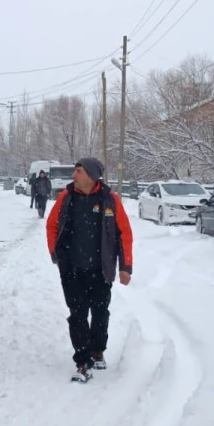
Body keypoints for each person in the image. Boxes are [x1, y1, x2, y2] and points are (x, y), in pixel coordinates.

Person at [45, 157, 133, 383]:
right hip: (72, 268)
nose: (74, 176)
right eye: (75, 171)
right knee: (77, 314)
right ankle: (82, 361)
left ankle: (97, 350)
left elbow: (124, 233)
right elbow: (52, 224)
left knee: (101, 312)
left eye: (79, 171)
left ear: (92, 175)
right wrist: (55, 253)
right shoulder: (67, 198)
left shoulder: (110, 200)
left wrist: (125, 267)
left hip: (100, 269)